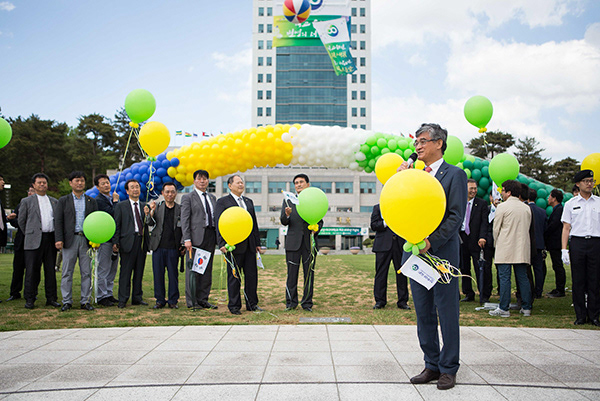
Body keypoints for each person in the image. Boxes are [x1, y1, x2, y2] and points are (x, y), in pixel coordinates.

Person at [398, 123, 467, 391]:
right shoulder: (414, 175)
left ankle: (449, 368)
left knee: (446, 311)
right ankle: (431, 364)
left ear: (439, 143)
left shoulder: (455, 175)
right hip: (417, 254)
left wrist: (432, 241)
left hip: (442, 253)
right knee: (423, 311)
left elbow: (455, 216)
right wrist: (400, 181)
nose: (418, 146)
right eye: (416, 142)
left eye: (423, 141)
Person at [215, 175, 262, 315]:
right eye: (238, 182)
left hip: (250, 245)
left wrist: (257, 243)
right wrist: (221, 243)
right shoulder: (223, 202)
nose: (241, 185)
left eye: (242, 182)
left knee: (252, 276)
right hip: (232, 245)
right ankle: (234, 306)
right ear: (230, 186)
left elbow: (253, 223)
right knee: (234, 277)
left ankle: (252, 304)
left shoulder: (248, 202)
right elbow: (219, 223)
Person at [55, 171, 98, 311]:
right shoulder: (63, 201)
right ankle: (66, 301)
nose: (80, 183)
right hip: (69, 240)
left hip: (86, 240)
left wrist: (96, 240)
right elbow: (58, 221)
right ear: (70, 183)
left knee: (86, 272)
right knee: (67, 272)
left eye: (82, 181)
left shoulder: (91, 201)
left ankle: (85, 301)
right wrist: (58, 239)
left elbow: (96, 222)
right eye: (77, 180)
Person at [561, 170, 600, 326]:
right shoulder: (570, 204)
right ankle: (580, 315)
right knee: (578, 281)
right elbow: (566, 228)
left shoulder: (598, 202)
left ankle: (594, 315)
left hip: (596, 242)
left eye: (591, 181)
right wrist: (564, 249)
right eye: (586, 181)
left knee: (595, 280)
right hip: (577, 242)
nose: (589, 184)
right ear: (578, 184)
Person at [490, 179, 533, 318]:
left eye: (502, 191)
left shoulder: (502, 207)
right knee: (523, 278)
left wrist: (496, 243)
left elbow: (496, 229)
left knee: (504, 278)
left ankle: (504, 308)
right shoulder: (526, 208)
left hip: (505, 246)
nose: (501, 193)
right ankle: (526, 307)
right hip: (522, 247)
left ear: (508, 192)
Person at [280, 173, 323, 312]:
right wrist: (287, 214)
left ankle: (307, 303)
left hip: (309, 243)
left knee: (309, 275)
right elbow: (283, 221)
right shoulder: (288, 200)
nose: (298, 185)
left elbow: (320, 220)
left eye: (301, 182)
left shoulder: (314, 200)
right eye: (296, 183)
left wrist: (317, 229)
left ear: (307, 184)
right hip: (293, 243)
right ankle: (291, 303)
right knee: (291, 275)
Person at [18, 173, 60, 309]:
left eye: (44, 182)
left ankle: (51, 298)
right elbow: (21, 221)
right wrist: (31, 233)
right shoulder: (26, 201)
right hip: (33, 239)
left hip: (50, 239)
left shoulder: (54, 201)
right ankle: (30, 298)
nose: (42, 185)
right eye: (39, 182)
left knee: (50, 270)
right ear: (34, 185)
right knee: (32, 271)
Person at [180, 169, 218, 310]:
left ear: (208, 181)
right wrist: (187, 239)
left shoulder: (212, 198)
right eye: (199, 178)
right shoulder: (188, 197)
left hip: (210, 236)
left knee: (206, 270)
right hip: (195, 238)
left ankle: (203, 299)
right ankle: (192, 301)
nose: (202, 181)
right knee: (194, 270)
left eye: (205, 179)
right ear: (194, 181)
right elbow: (185, 220)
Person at [112, 179, 149, 308]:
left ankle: (137, 297)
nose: (135, 189)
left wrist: (149, 214)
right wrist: (115, 242)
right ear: (127, 191)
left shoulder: (144, 206)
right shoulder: (121, 206)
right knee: (125, 272)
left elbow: (149, 223)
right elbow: (117, 225)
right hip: (127, 242)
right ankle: (123, 298)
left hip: (141, 242)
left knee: (139, 272)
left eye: (137, 187)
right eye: (132, 187)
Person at [146, 182, 182, 309]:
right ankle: (160, 300)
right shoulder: (157, 207)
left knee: (173, 275)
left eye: (172, 192)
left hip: (173, 248)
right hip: (158, 247)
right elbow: (149, 223)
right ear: (162, 193)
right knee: (158, 275)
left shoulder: (180, 209)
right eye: (167, 192)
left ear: (176, 193)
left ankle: (173, 300)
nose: (170, 194)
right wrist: (150, 212)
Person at [370, 203, 409, 310]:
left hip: (400, 245)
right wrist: (386, 222)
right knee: (381, 274)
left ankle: (403, 301)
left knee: (402, 273)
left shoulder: (402, 207)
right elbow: (373, 225)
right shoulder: (378, 207)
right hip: (383, 245)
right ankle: (380, 301)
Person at [459, 179, 489, 303]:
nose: (473, 191)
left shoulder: (482, 204)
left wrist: (482, 237)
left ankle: (484, 294)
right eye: (471, 188)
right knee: (464, 268)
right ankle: (468, 293)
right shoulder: (459, 202)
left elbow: (484, 222)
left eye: (475, 188)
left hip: (476, 240)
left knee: (480, 268)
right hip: (462, 239)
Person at [94, 174, 120, 306]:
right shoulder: (99, 200)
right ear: (97, 187)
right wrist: (115, 202)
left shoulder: (111, 198)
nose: (106, 185)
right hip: (105, 239)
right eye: (103, 183)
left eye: (107, 183)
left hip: (114, 239)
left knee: (112, 269)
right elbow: (112, 214)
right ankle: (101, 296)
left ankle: (109, 293)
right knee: (103, 268)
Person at [7, 186, 35, 301]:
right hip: (21, 240)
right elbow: (15, 221)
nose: (29, 193)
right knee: (18, 268)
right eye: (29, 191)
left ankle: (31, 292)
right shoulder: (21, 204)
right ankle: (15, 292)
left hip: (34, 241)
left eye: (32, 191)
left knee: (32, 269)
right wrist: (12, 219)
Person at [544, 189, 566, 298]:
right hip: (554, 243)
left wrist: (545, 232)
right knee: (556, 265)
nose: (548, 198)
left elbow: (553, 226)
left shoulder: (559, 210)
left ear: (554, 198)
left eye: (550, 197)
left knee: (558, 265)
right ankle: (558, 287)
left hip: (556, 243)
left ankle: (560, 289)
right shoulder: (556, 210)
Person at [527, 188, 547, 299]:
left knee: (527, 269)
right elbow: (545, 229)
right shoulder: (542, 211)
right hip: (539, 243)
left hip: (527, 244)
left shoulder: (525, 210)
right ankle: (539, 291)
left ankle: (529, 290)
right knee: (538, 269)